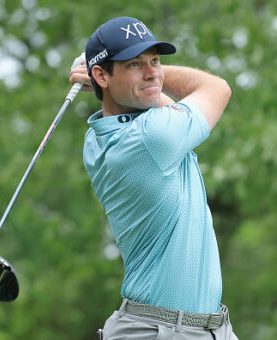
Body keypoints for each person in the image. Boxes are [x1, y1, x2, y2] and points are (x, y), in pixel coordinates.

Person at [70, 16, 237, 340]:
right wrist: (153, 78)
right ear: (101, 76)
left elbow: (158, 103)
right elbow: (218, 88)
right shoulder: (151, 138)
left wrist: (126, 77)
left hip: (205, 328)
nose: (151, 72)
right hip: (163, 331)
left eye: (156, 60)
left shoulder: (98, 139)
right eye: (134, 63)